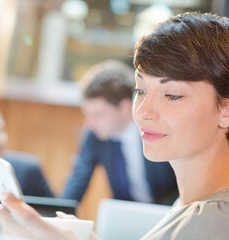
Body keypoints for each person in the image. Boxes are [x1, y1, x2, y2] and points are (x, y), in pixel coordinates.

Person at [0, 12, 229, 239]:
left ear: (228, 109)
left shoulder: (221, 223)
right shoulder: (195, 205)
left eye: (172, 95)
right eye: (140, 91)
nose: (142, 112)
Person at [63, 59, 178, 204]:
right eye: (88, 115)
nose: (90, 123)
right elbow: (77, 181)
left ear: (124, 107)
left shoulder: (158, 129)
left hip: (165, 215)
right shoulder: (94, 135)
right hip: (123, 216)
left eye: (98, 115)